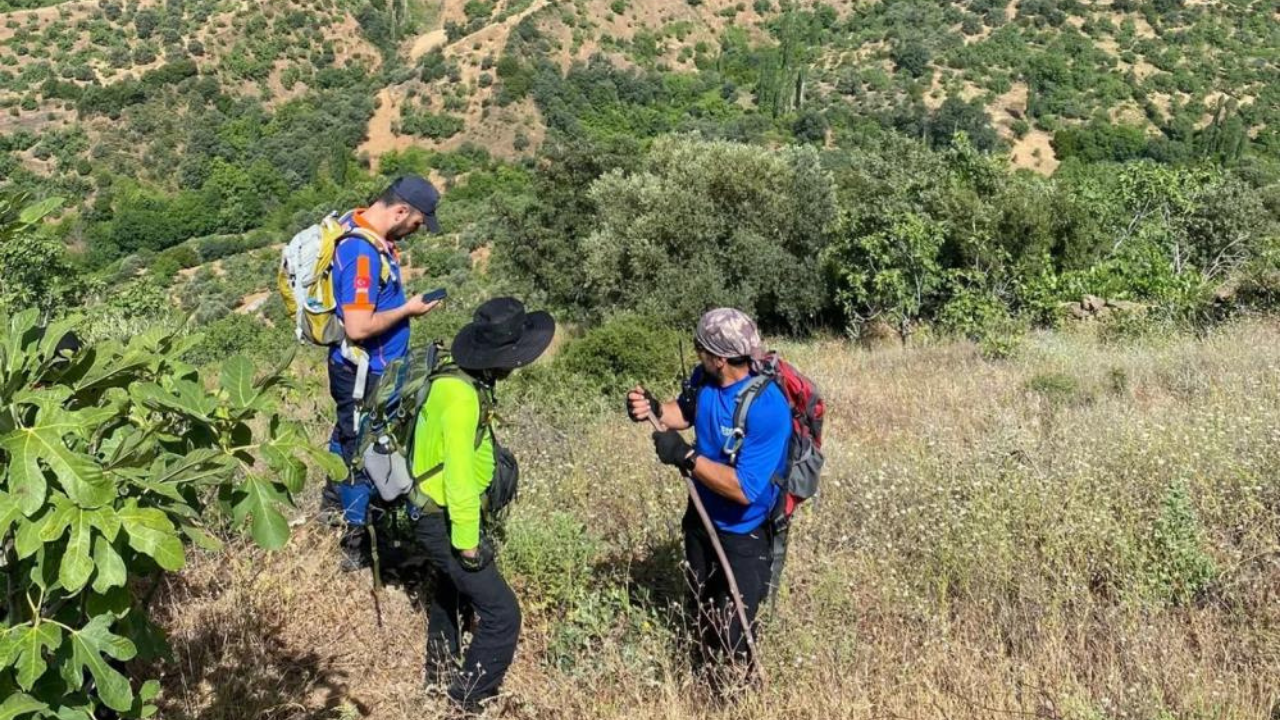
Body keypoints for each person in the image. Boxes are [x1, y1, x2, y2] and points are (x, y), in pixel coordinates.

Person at [626, 308, 792, 684]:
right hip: (700, 519)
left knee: (734, 630)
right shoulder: (705, 379)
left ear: (720, 358)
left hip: (744, 533)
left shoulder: (768, 408)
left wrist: (686, 457)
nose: (697, 353)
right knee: (701, 608)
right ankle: (702, 684)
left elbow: (744, 489)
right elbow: (683, 412)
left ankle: (738, 697)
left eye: (700, 348)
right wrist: (652, 410)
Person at [408, 297, 554, 712]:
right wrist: (469, 544)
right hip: (445, 518)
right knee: (502, 614)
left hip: (430, 510)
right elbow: (456, 476)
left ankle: (437, 677)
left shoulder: (454, 379)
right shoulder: (461, 398)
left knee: (450, 590)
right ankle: (467, 699)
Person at [323, 175, 444, 569]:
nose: (416, 231)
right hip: (363, 375)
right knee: (361, 453)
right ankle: (354, 547)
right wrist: (408, 310)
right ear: (400, 210)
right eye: (416, 223)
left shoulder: (367, 236)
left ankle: (332, 512)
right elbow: (358, 327)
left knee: (348, 440)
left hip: (372, 372)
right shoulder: (361, 253)